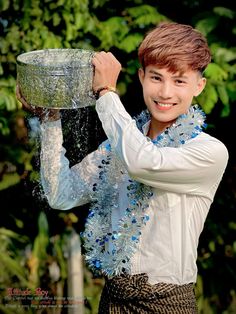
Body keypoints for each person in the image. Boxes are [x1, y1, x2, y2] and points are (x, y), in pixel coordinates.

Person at [17, 22, 228, 313]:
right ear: (141, 77)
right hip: (113, 298)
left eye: (179, 81)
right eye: (156, 77)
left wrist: (105, 92)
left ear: (199, 86)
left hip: (168, 303)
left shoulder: (209, 151)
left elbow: (144, 163)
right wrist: (50, 118)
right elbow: (61, 194)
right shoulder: (121, 145)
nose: (165, 92)